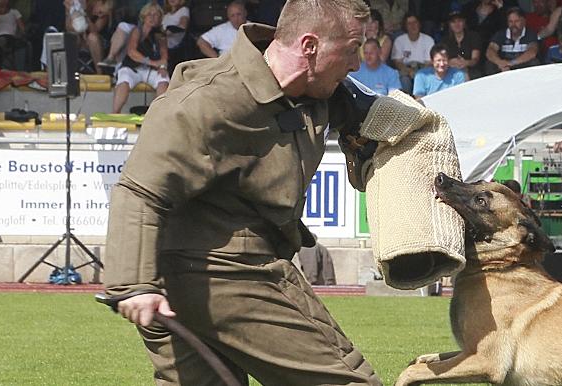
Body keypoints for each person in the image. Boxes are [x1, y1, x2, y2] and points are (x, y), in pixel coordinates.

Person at [104, 0, 382, 384]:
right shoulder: (207, 101)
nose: (355, 63)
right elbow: (139, 190)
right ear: (310, 46)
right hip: (227, 269)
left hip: (189, 273)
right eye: (351, 50)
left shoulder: (317, 90)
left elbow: (370, 112)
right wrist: (133, 284)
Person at [112, 2, 168, 113]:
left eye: (156, 14)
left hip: (151, 69)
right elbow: (132, 52)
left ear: (160, 18)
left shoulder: (160, 35)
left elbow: (164, 55)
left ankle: (161, 115)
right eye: (149, 14)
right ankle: (115, 113)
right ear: (144, 17)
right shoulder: (137, 30)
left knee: (163, 81)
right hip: (133, 68)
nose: (152, 17)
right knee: (124, 80)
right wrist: (152, 62)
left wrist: (162, 66)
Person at [485, 7, 540, 75]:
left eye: (516, 21)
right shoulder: (501, 34)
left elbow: (532, 52)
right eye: (510, 21)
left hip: (520, 64)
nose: (513, 25)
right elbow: (490, 50)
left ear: (523, 21)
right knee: (489, 64)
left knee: (534, 62)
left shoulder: (530, 34)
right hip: (503, 66)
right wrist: (500, 62)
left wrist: (511, 63)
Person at [391, 13, 434, 93]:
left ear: (419, 24)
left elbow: (429, 63)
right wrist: (409, 71)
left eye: (415, 22)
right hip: (406, 69)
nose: (413, 26)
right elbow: (397, 63)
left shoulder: (428, 40)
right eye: (409, 23)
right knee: (404, 79)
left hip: (424, 69)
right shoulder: (399, 40)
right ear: (405, 26)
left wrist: (418, 74)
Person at [440, 10, 483, 79]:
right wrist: (450, 62)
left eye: (459, 21)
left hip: (470, 70)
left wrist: (466, 63)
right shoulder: (445, 40)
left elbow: (475, 59)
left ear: (464, 22)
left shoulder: (473, 36)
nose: (457, 24)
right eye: (453, 22)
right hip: (450, 69)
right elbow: (441, 59)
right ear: (449, 24)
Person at [162, 0, 190, 69]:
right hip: (162, 44)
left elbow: (183, 25)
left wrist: (168, 31)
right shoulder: (165, 14)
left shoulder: (183, 10)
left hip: (176, 46)